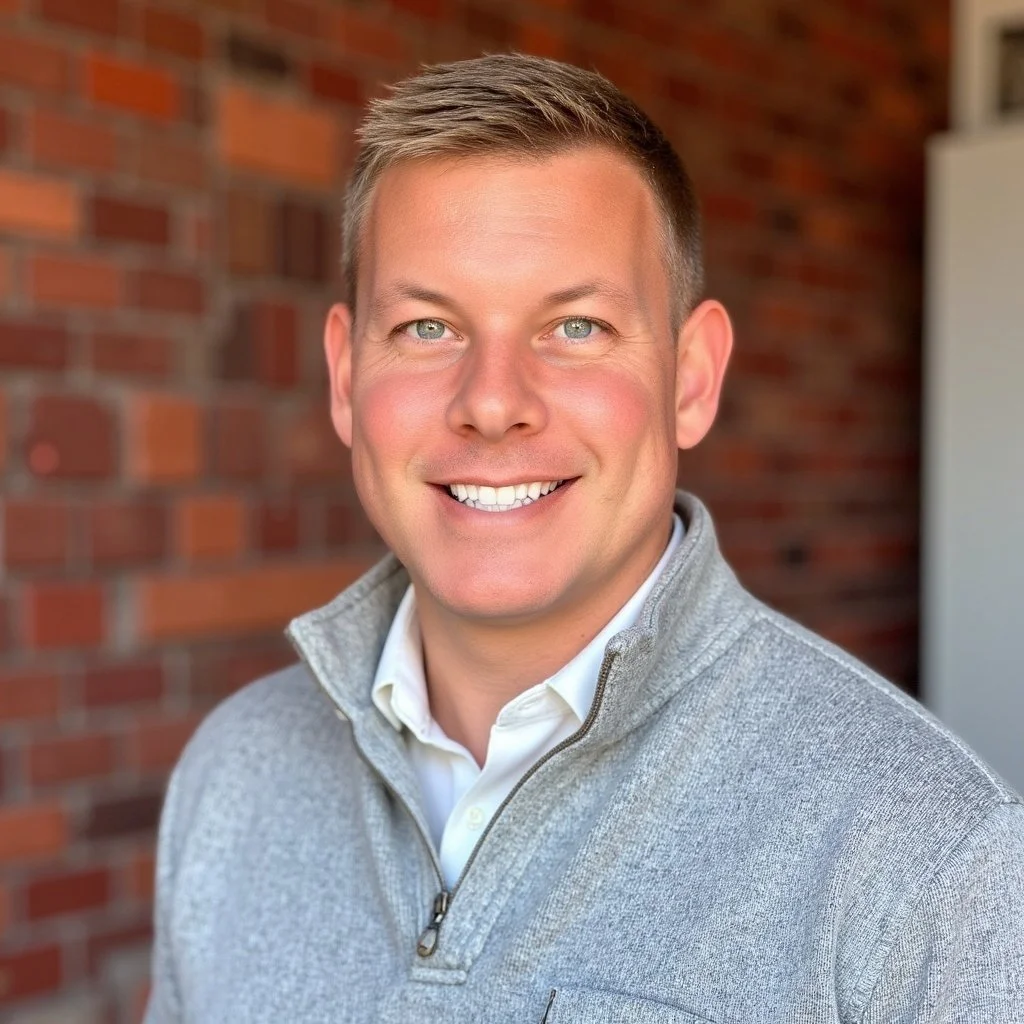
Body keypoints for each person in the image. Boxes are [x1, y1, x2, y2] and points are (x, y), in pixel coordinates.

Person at [144, 53, 1024, 1023]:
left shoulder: (931, 853)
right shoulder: (233, 772)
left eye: (575, 327)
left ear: (691, 377)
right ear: (348, 377)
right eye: (429, 328)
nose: (490, 402)